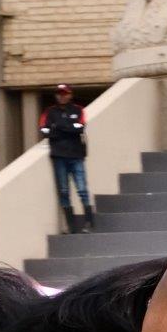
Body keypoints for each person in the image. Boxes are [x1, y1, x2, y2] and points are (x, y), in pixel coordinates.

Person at [39, 83, 94, 234]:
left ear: (70, 94)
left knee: (82, 189)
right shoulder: (49, 112)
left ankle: (89, 221)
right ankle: (72, 226)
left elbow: (80, 128)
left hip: (76, 155)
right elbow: (45, 130)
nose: (62, 96)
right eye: (59, 94)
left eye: (65, 93)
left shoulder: (78, 110)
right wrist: (68, 128)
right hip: (59, 156)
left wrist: (58, 127)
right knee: (63, 191)